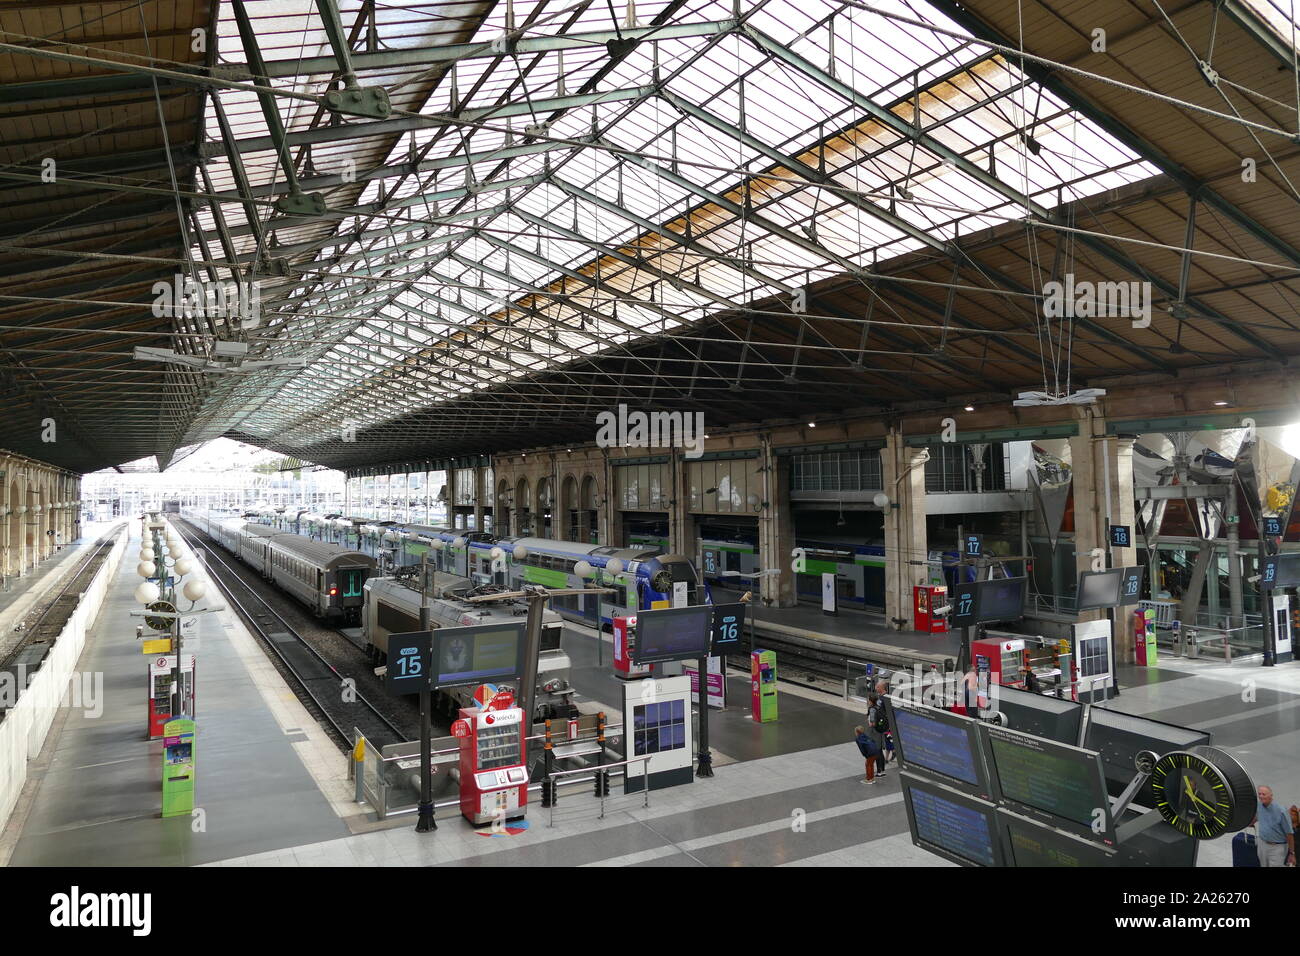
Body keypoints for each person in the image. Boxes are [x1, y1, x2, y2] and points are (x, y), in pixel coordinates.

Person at [1252, 785, 1296, 867]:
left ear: (1271, 795)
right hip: (1262, 844)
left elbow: (1289, 834)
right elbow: (1257, 817)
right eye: (1259, 794)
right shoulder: (1259, 805)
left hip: (1277, 847)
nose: (1261, 796)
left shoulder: (1281, 811)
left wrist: (1292, 853)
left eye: (1264, 794)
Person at [865, 693, 888, 778]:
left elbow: (872, 724)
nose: (867, 701)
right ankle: (882, 770)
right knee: (880, 751)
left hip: (875, 733)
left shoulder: (872, 709)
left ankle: (879, 771)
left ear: (871, 701)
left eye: (868, 699)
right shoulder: (878, 707)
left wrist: (869, 722)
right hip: (880, 731)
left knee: (877, 751)